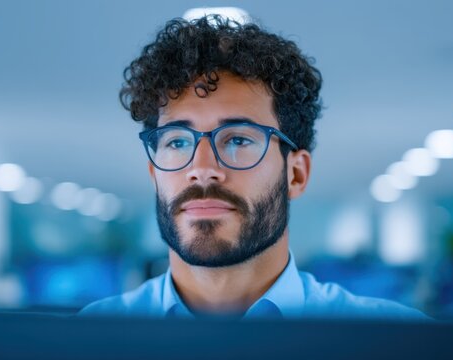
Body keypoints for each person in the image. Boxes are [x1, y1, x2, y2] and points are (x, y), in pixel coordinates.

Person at [80, 15, 427, 320]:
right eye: (177, 141)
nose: (202, 169)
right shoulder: (83, 341)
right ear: (155, 174)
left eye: (238, 140)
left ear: (296, 174)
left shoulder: (403, 342)